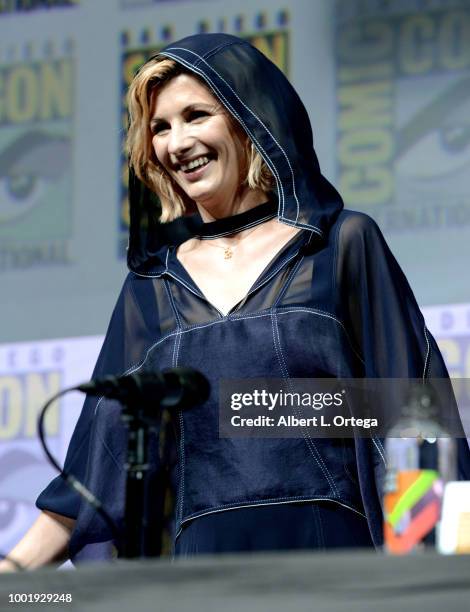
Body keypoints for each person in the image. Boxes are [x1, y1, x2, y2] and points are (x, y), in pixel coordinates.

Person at [1, 33, 468, 570]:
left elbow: (415, 416)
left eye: (196, 115)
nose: (176, 143)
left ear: (251, 119)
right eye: (159, 128)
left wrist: (440, 580)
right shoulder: (151, 287)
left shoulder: (341, 243)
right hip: (201, 567)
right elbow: (92, 473)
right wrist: (12, 576)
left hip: (333, 558)